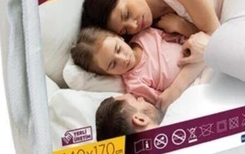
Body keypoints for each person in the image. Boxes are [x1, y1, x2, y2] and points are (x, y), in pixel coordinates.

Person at [81, 0, 228, 64]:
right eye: (125, 30)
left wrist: (183, 26)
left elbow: (217, 39)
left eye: (126, 14)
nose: (134, 26)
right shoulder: (158, 30)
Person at [72, 26, 205, 134]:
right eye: (113, 64)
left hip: (197, 51)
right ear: (108, 74)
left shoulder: (145, 35)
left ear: (119, 37)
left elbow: (179, 37)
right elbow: (165, 101)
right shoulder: (134, 84)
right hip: (193, 82)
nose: (123, 59)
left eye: (118, 49)